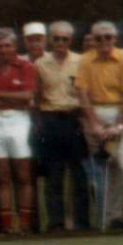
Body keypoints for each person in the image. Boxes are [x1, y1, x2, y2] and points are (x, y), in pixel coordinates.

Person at [76, 21, 123, 232]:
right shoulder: (85, 60)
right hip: (96, 115)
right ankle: (113, 216)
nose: (104, 42)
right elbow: (82, 94)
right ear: (93, 40)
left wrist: (119, 125)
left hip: (119, 113)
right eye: (98, 38)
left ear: (115, 39)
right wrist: (94, 125)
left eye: (108, 37)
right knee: (108, 168)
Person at [0, 27, 39, 234]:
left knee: (23, 174)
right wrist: (12, 98)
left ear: (15, 46)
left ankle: (24, 222)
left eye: (7, 45)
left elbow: (27, 96)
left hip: (19, 120)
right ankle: (7, 224)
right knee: (2, 176)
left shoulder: (25, 66)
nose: (3, 50)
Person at [35, 22, 91, 231]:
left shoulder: (81, 61)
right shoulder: (40, 63)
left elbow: (87, 93)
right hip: (51, 119)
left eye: (65, 39)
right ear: (50, 40)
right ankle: (56, 222)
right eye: (56, 38)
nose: (60, 43)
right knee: (54, 175)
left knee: (79, 174)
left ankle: (82, 222)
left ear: (71, 40)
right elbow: (37, 96)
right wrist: (40, 124)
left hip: (74, 119)